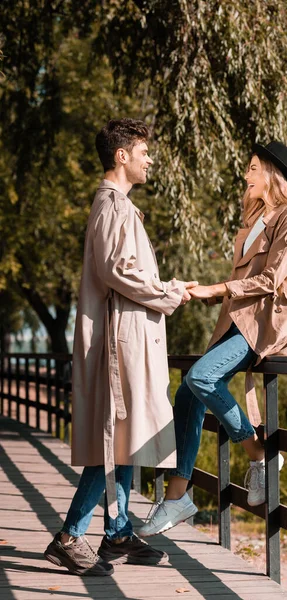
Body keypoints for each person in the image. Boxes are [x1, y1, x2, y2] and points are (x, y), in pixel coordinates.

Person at [138, 140, 287, 537]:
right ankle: (177, 498)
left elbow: (270, 280)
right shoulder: (257, 219)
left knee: (202, 378)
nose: (247, 175)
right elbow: (243, 280)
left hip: (265, 322)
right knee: (187, 393)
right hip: (237, 320)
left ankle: (259, 455)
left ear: (272, 175)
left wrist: (215, 289)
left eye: (254, 168)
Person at [44, 118, 197, 575]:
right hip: (120, 344)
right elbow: (119, 271)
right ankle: (71, 535)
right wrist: (169, 291)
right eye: (143, 151)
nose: (150, 159)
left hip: (128, 340)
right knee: (116, 440)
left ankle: (116, 533)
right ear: (121, 156)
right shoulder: (113, 207)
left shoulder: (121, 207)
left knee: (126, 438)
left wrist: (166, 289)